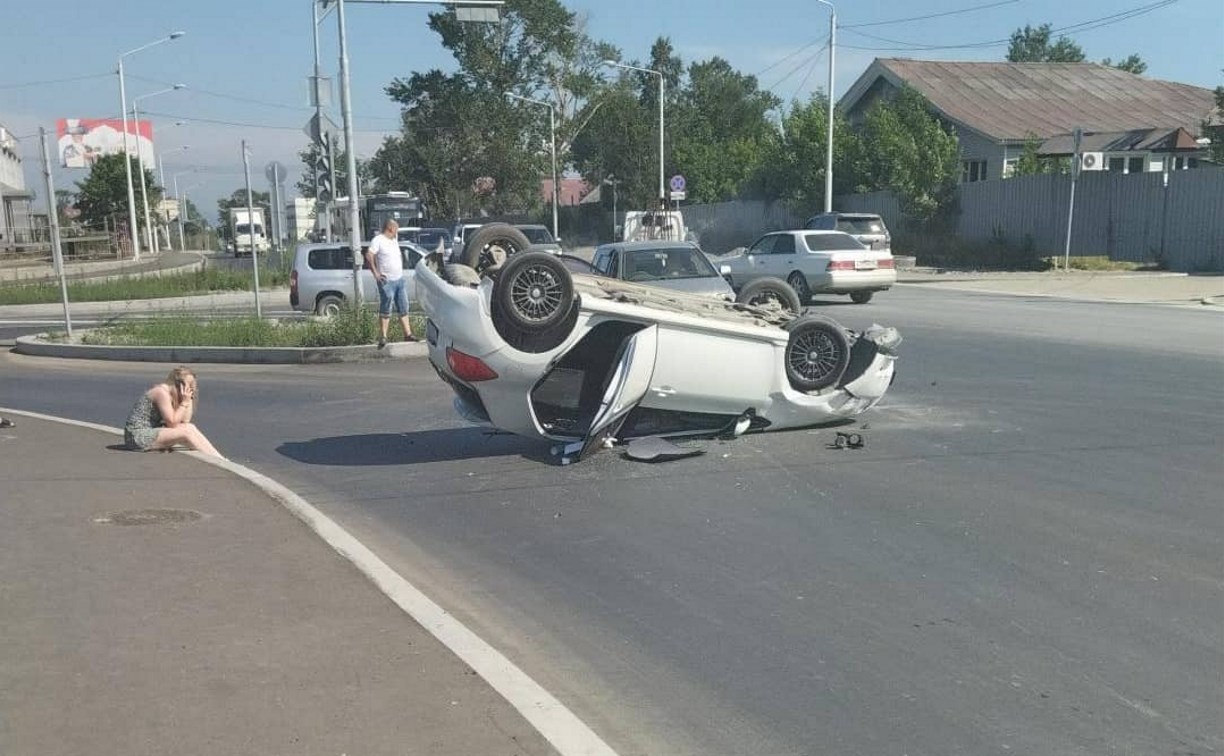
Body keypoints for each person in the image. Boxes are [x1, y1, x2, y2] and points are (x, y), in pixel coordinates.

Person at [123, 366, 223, 458]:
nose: (190, 388)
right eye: (188, 384)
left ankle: (219, 458)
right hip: (138, 436)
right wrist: (184, 402)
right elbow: (172, 423)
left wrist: (189, 398)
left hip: (151, 431)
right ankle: (214, 460)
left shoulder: (171, 394)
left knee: (190, 427)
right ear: (178, 384)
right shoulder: (161, 392)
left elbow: (185, 420)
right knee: (186, 433)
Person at [364, 218, 417, 348]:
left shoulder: (394, 240)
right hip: (386, 280)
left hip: (399, 279)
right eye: (396, 229)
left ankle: (408, 334)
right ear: (391, 228)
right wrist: (376, 273)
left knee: (403, 306)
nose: (397, 232)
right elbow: (369, 255)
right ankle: (383, 336)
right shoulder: (378, 240)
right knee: (386, 305)